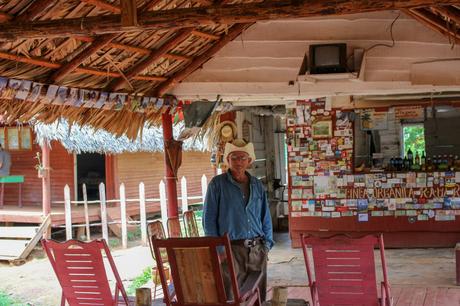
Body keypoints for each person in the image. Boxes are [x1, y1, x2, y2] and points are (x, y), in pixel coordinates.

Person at [203, 139, 274, 302]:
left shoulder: (257, 185)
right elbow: (209, 221)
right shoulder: (217, 185)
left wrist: (267, 245)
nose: (239, 162)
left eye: (243, 158)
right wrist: (220, 251)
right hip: (230, 250)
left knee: (257, 296)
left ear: (249, 161)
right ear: (227, 160)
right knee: (232, 296)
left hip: (257, 249)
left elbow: (266, 217)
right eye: (234, 157)